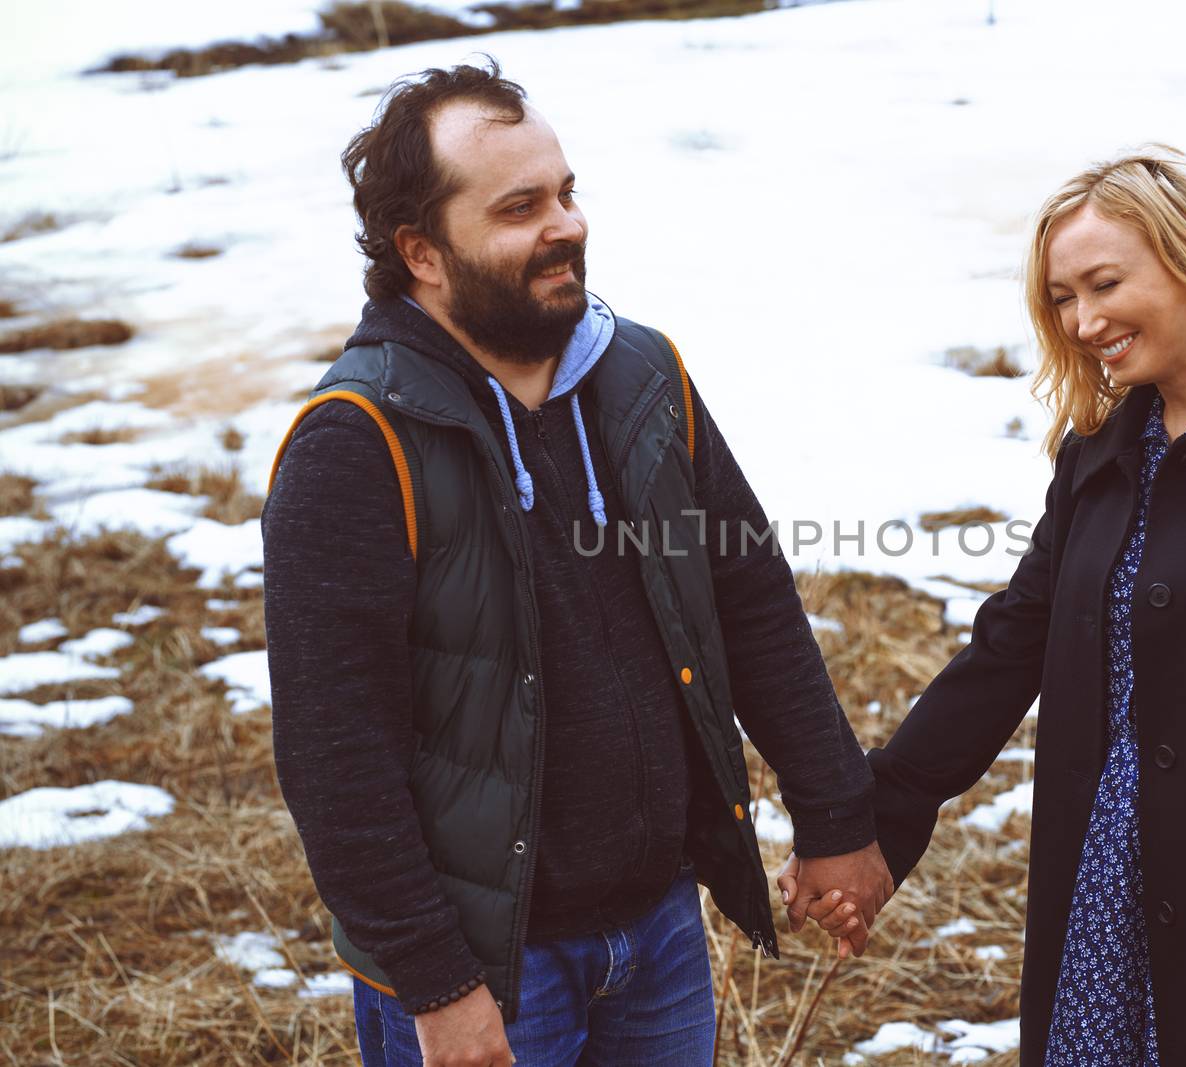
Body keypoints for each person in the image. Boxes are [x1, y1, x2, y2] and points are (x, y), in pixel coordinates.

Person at [262, 59, 892, 1067]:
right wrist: (439, 984)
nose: (566, 224)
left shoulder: (641, 372)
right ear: (421, 251)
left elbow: (748, 598)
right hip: (488, 974)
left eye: (565, 191)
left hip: (656, 931)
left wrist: (834, 811)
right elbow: (338, 756)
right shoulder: (355, 439)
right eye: (519, 207)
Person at [784, 145, 1186, 1066]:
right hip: (1101, 893)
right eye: (1061, 299)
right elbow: (1010, 647)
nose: (1083, 322)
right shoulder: (1100, 452)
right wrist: (875, 815)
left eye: (1103, 284)